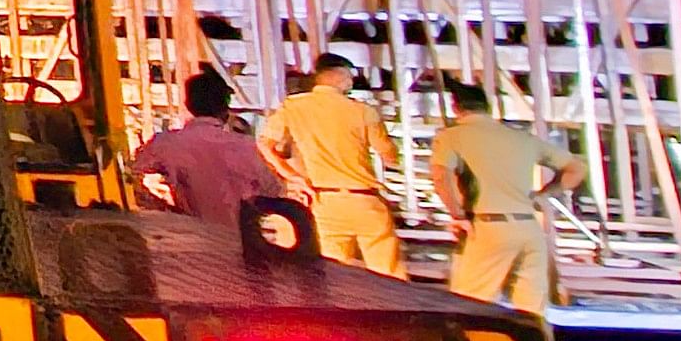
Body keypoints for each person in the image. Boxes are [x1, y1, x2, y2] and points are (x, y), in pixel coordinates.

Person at [428, 79, 580, 311]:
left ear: (455, 107)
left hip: (489, 227)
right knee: (531, 312)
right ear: (487, 108)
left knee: (469, 307)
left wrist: (457, 214)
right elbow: (577, 168)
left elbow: (441, 176)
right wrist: (544, 194)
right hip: (528, 227)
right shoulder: (521, 138)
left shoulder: (452, 136)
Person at [259, 54, 407, 277]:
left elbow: (264, 144)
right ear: (341, 76)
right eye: (350, 77)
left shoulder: (293, 107)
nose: (351, 83)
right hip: (364, 200)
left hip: (323, 201)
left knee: (334, 276)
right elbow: (389, 156)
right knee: (388, 274)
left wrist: (291, 176)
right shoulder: (363, 111)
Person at [128, 71, 286, 229]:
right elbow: (273, 191)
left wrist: (161, 206)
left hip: (192, 236)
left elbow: (132, 177)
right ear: (225, 107)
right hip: (239, 240)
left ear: (189, 105)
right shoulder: (247, 147)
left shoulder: (167, 143)